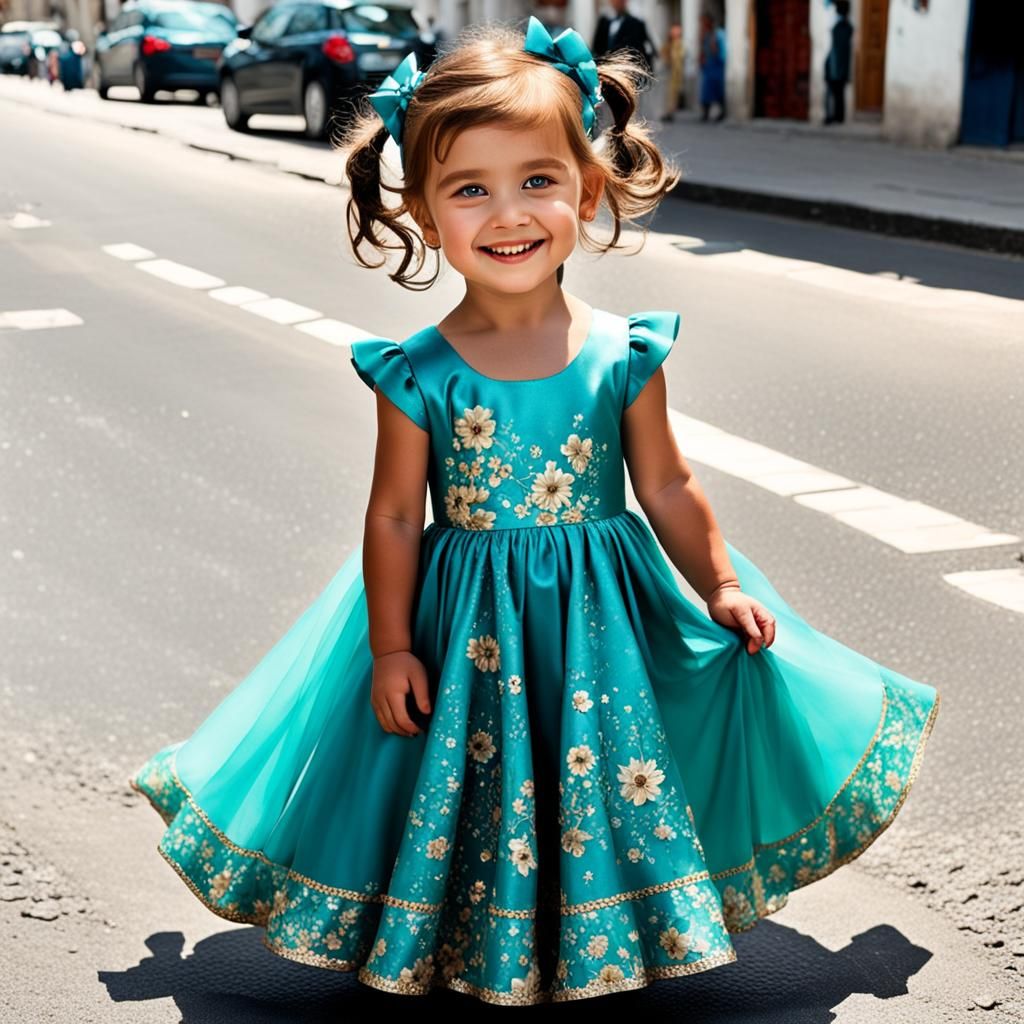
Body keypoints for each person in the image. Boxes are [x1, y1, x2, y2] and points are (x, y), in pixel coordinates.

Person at [128, 15, 940, 1006]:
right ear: (424, 212)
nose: (507, 212)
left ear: (586, 192)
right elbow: (391, 518)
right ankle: (482, 940)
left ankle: (594, 937)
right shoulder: (414, 373)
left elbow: (668, 484)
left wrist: (720, 582)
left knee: (597, 776)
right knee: (478, 785)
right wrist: (391, 645)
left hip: (605, 625)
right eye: (469, 188)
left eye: (536, 180)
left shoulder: (625, 355)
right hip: (467, 630)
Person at [824, 0, 854, 125]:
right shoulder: (844, 25)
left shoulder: (842, 26)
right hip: (838, 67)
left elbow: (839, 51)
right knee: (837, 93)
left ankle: (834, 116)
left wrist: (834, 70)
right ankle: (836, 116)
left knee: (834, 93)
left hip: (836, 67)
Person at [699, 11, 727, 121]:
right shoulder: (706, 34)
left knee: (718, 90)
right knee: (706, 91)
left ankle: (722, 112)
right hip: (708, 66)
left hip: (717, 66)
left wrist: (716, 51)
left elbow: (722, 52)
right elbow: (703, 51)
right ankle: (706, 113)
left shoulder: (718, 34)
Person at [660, 21, 684, 122]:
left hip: (676, 72)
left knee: (673, 93)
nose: (675, 32)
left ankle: (670, 112)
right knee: (667, 93)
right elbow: (662, 52)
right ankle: (667, 112)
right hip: (668, 71)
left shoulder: (679, 43)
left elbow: (681, 56)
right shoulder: (669, 43)